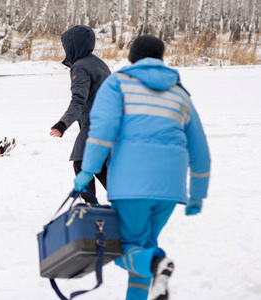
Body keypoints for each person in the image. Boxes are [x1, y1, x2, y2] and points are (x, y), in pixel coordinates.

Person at [74, 35, 211, 300]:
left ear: (131, 57)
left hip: (130, 186)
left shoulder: (118, 83)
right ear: (161, 58)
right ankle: (151, 278)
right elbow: (200, 149)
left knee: (126, 249)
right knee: (143, 245)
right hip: (170, 189)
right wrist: (197, 193)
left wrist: (87, 170)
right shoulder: (179, 92)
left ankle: (157, 265)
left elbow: (102, 131)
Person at [49, 25, 111, 203]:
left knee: (82, 163)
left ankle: (91, 207)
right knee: (99, 165)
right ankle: (126, 201)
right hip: (109, 123)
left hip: (95, 124)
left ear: (73, 46)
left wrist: (63, 124)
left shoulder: (80, 66)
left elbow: (79, 100)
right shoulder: (99, 63)